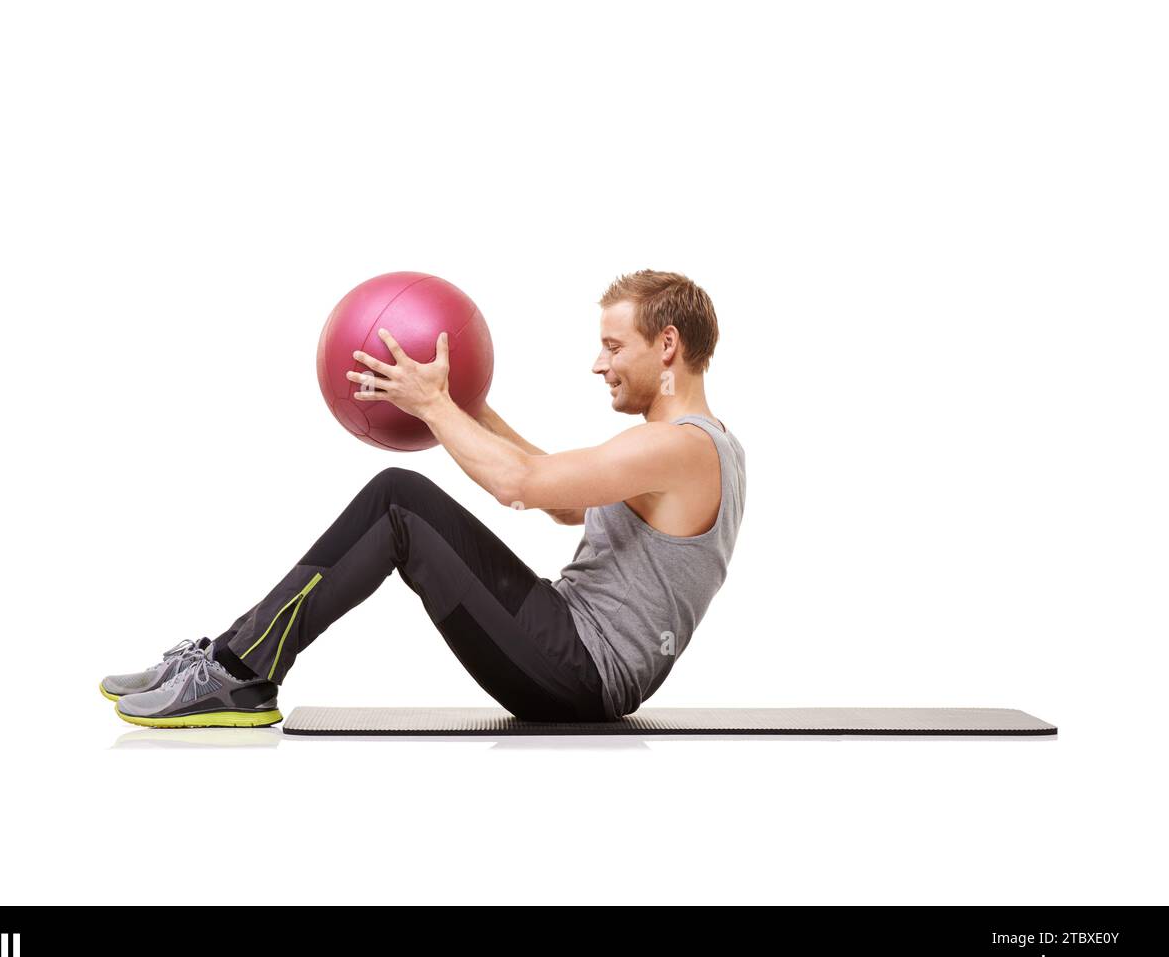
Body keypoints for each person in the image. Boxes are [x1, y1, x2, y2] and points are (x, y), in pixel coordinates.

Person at [101, 269, 747, 726]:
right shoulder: (691, 449)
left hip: (582, 670)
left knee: (397, 500)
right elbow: (556, 494)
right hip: (570, 651)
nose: (599, 364)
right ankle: (225, 657)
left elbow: (518, 486)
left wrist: (435, 407)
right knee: (399, 501)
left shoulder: (680, 448)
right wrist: (467, 406)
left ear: (668, 344)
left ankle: (237, 673)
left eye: (613, 345)